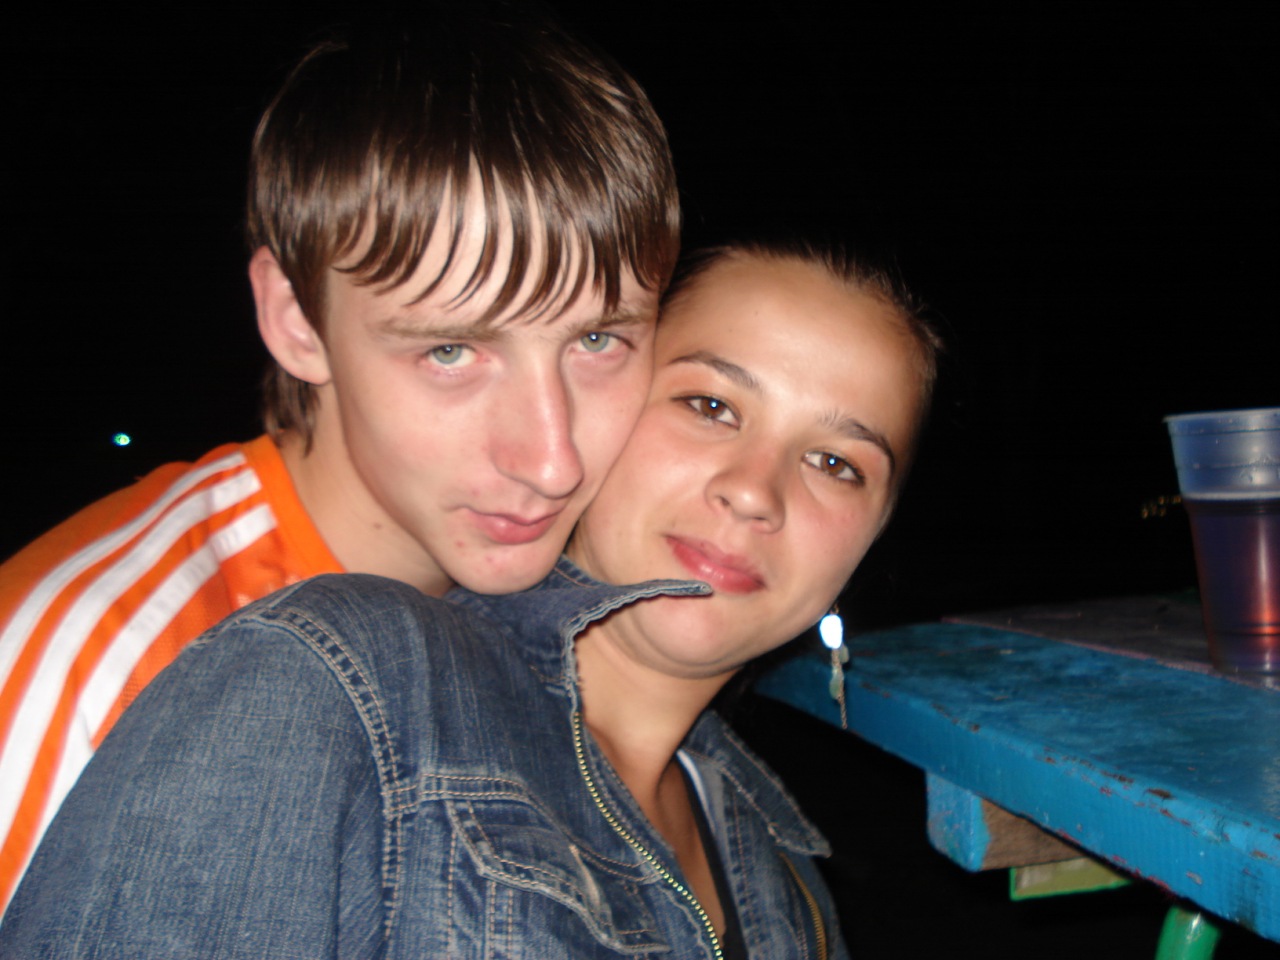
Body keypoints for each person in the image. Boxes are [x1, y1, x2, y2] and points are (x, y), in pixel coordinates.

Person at [1, 238, 940, 958]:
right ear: (601, 402)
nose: (755, 491)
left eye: (837, 463)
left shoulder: (785, 872)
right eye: (710, 406)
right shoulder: (331, 685)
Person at [0, 3, 679, 915]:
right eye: (450, 351)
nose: (552, 462)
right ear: (296, 321)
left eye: (598, 340)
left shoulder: (552, 624)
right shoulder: (102, 667)